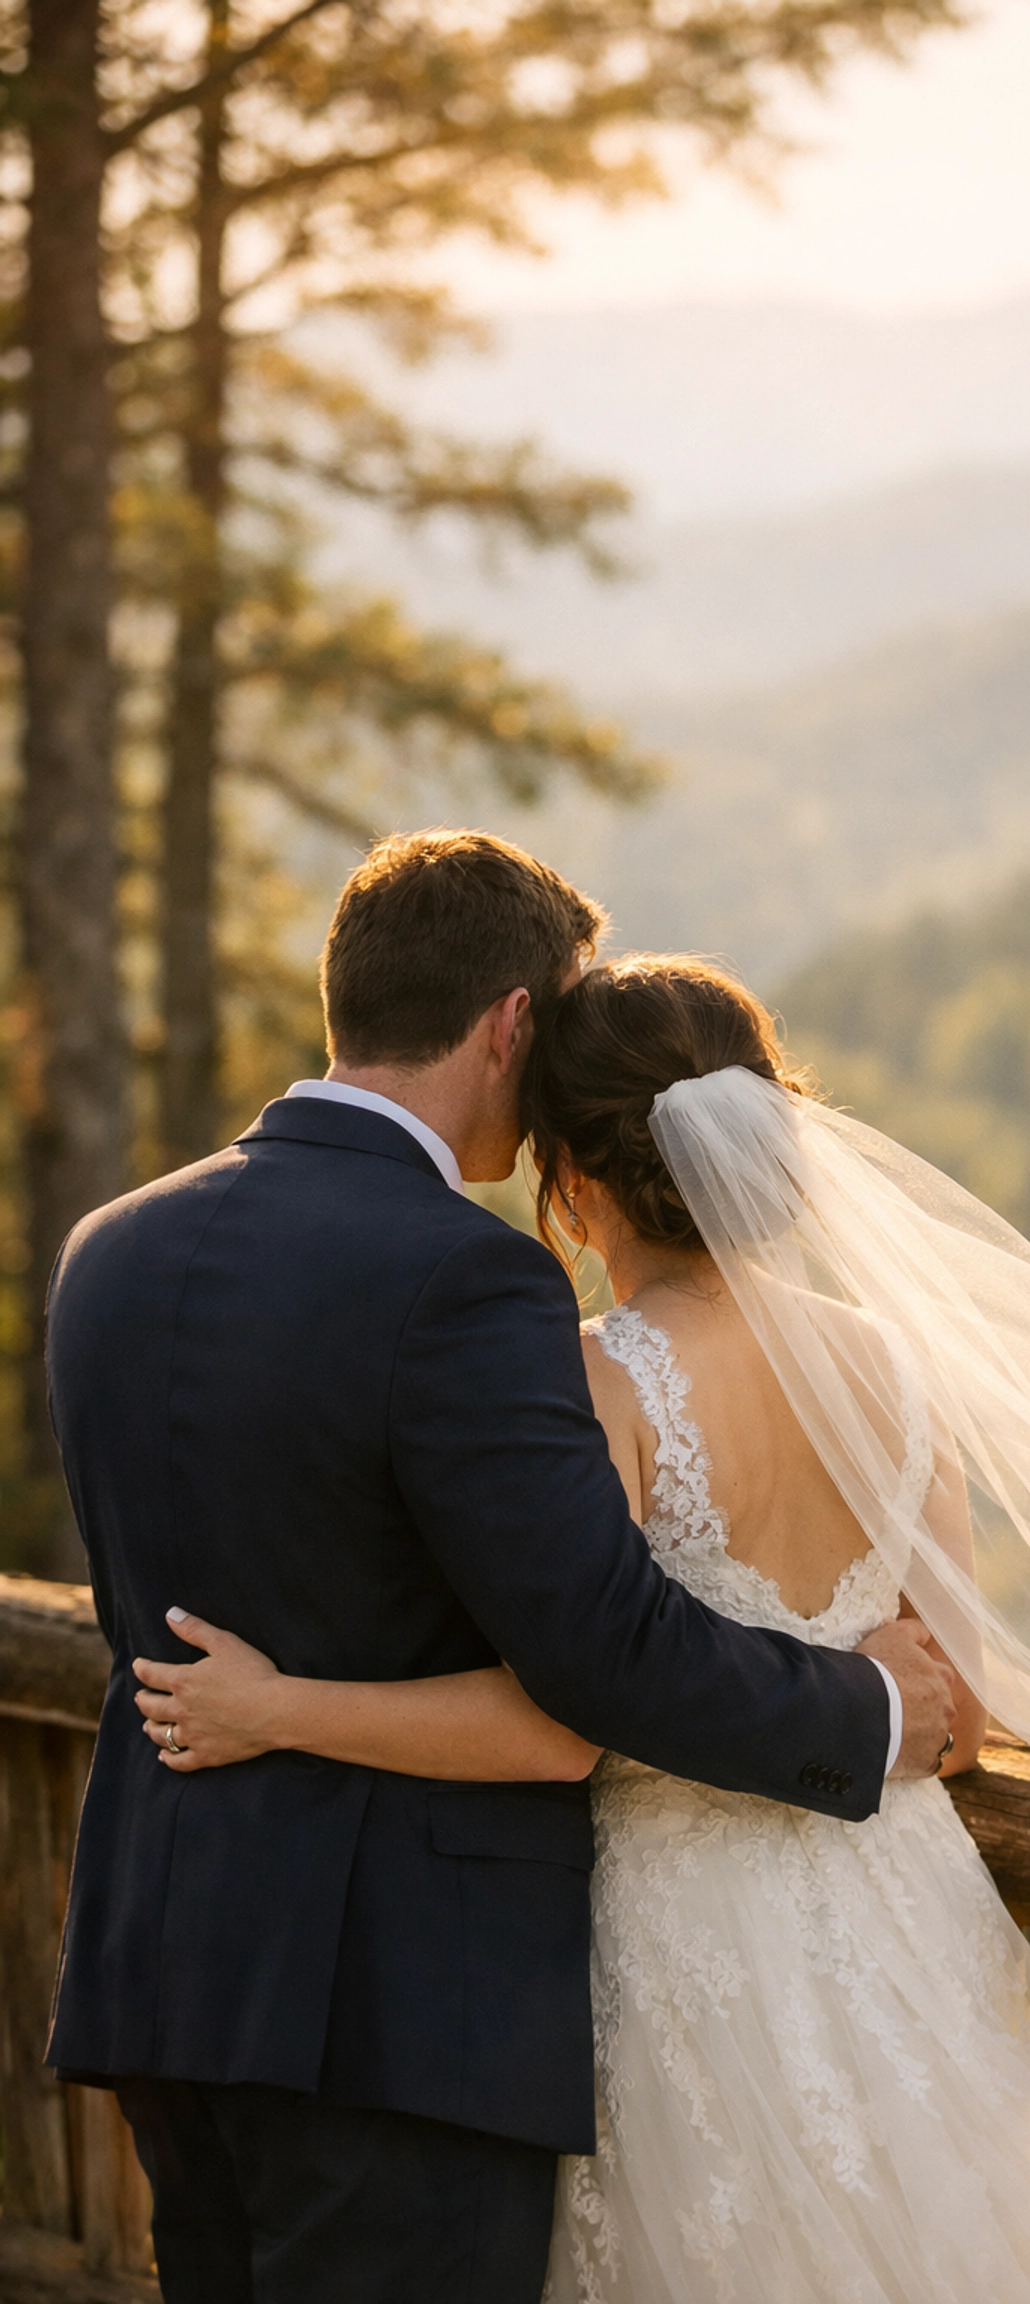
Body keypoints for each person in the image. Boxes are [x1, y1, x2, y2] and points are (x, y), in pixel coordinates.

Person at [133, 953, 1030, 2304]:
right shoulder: (892, 1365)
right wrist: (864, 1695)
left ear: (571, 1183)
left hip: (663, 1944)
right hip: (896, 1915)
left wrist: (276, 1706)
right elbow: (957, 1716)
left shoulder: (598, 1383)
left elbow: (561, 1717)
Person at [44, 837, 955, 2304]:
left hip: (167, 1982)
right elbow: (596, 1653)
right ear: (512, 1025)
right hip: (394, 2019)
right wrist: (871, 1712)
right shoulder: (463, 1280)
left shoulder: (110, 1249)